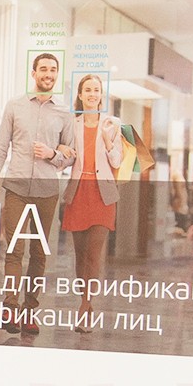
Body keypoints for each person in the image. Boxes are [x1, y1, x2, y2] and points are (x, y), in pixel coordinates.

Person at [0, 53, 75, 325]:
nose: (48, 74)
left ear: (56, 75)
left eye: (53, 70)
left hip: (48, 191)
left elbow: (71, 156)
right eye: (43, 69)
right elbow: (0, 148)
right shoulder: (15, 106)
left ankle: (30, 311)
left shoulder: (64, 112)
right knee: (14, 250)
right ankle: (10, 307)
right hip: (17, 188)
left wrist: (52, 154)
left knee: (39, 254)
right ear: (33, 73)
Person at [61, 73, 125, 320]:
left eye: (96, 90)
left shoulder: (113, 124)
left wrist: (108, 141)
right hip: (78, 192)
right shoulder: (72, 123)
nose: (92, 94)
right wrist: (61, 151)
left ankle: (86, 305)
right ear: (80, 94)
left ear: (101, 95)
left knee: (93, 252)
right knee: (80, 254)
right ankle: (84, 299)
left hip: (102, 195)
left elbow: (117, 161)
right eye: (87, 90)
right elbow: (66, 160)